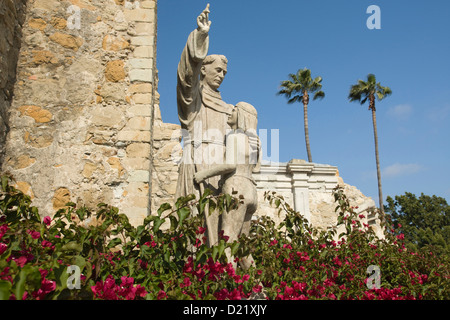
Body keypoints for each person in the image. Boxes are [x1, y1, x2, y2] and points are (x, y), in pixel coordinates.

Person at [175, 4, 234, 247]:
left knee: (224, 230)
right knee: (195, 227)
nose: (221, 74)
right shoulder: (194, 100)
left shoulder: (231, 109)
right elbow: (187, 78)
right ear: (205, 70)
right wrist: (201, 36)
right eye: (217, 70)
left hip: (221, 172)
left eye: (225, 72)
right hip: (197, 163)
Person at [194, 102, 261, 269]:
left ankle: (227, 285)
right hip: (251, 189)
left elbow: (231, 165)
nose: (231, 111)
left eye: (235, 109)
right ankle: (257, 290)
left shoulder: (234, 136)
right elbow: (256, 168)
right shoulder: (254, 141)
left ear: (243, 116)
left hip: (235, 187)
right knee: (241, 246)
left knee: (227, 240)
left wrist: (204, 174)